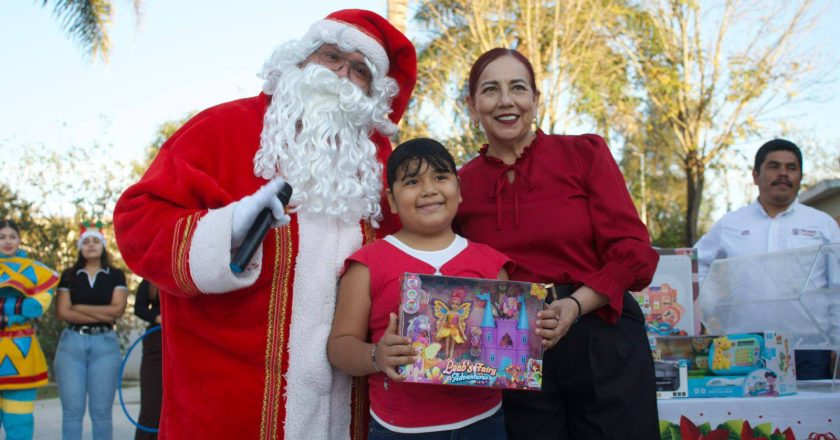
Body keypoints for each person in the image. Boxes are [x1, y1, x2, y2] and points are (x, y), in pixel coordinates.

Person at [112, 9, 416, 440]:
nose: (342, 74)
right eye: (331, 57)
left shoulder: (380, 166)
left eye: (360, 70)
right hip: (227, 409)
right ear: (301, 61)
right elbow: (138, 219)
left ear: (372, 91)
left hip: (346, 416)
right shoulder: (222, 128)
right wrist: (228, 231)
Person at [454, 48, 660, 439]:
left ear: (536, 99)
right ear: (472, 104)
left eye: (518, 87)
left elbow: (634, 251)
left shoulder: (584, 155)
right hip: (513, 343)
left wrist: (575, 304)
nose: (506, 101)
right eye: (490, 90)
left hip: (600, 329)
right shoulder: (461, 185)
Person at [328, 138, 519, 439]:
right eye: (413, 181)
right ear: (391, 200)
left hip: (485, 423)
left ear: (458, 188)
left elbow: (510, 343)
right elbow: (339, 347)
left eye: (440, 177)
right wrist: (376, 355)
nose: (429, 189)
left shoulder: (493, 264)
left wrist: (535, 339)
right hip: (398, 429)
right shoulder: (367, 263)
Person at [695, 139, 840, 379]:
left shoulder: (822, 224)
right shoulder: (730, 224)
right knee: (746, 418)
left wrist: (837, 342)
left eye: (791, 168)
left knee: (810, 416)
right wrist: (708, 309)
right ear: (755, 175)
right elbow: (695, 265)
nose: (783, 174)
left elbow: (837, 286)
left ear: (800, 177)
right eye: (774, 166)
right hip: (741, 347)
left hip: (810, 349)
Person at [54, 224, 128, 440]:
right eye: (86, 242)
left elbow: (117, 311)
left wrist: (78, 307)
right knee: (72, 412)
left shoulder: (115, 275)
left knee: (102, 413)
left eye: (95, 241)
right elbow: (62, 312)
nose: (91, 245)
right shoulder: (69, 275)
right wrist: (103, 313)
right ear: (80, 247)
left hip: (105, 344)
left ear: (103, 246)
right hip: (71, 345)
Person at [0, 219, 58, 440]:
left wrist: (12, 308)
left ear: (19, 240)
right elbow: (26, 305)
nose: (7, 242)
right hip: (19, 349)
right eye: (2, 237)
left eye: (12, 237)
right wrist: (16, 306)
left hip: (21, 355)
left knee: (19, 424)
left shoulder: (35, 270)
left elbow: (35, 306)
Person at [133, 279, 161, 440]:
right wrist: (157, 317)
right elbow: (139, 307)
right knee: (152, 402)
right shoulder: (152, 277)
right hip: (157, 340)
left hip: (188, 339)